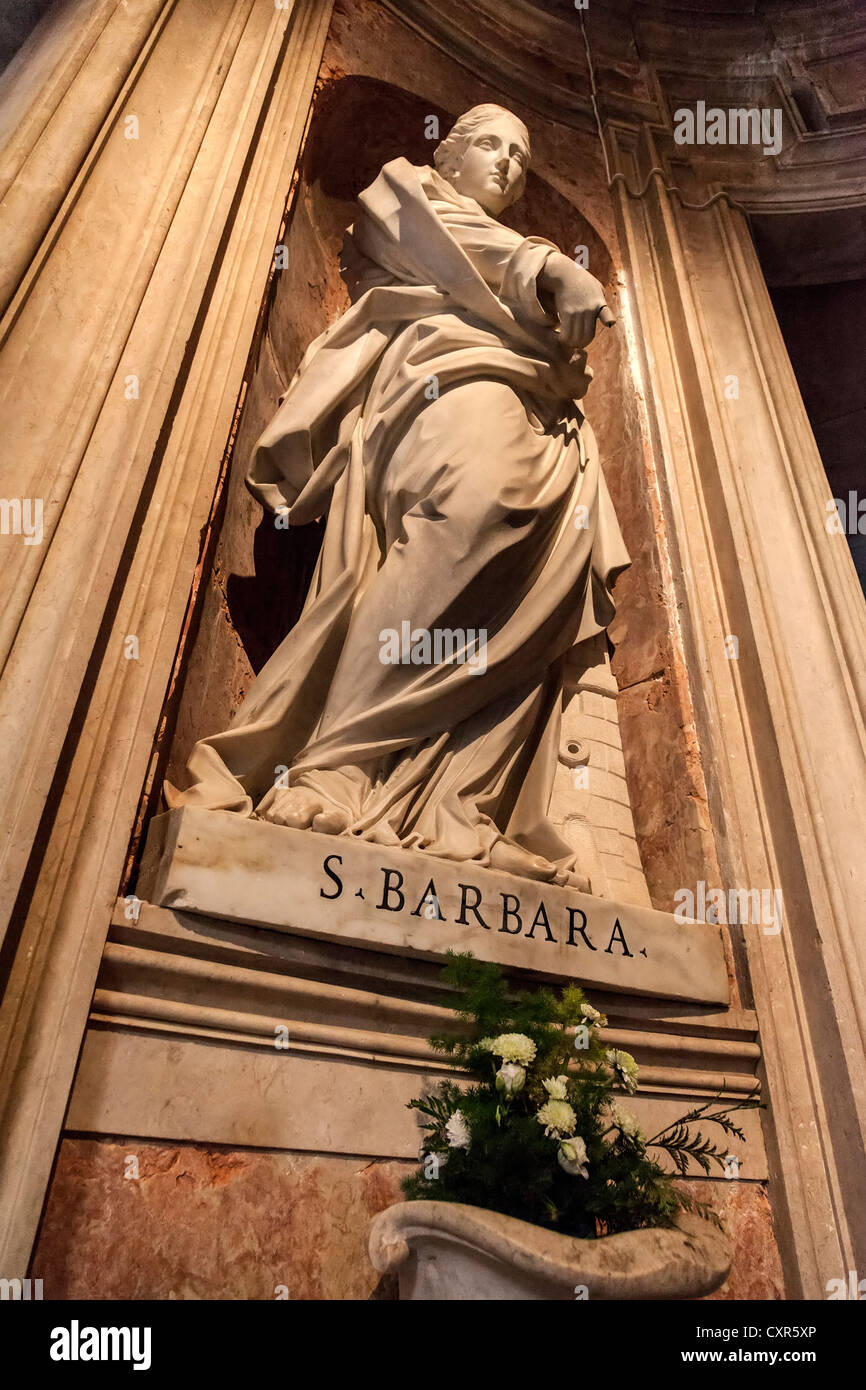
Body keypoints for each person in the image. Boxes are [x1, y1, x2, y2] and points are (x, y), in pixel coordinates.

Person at [167, 104, 629, 886]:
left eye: (521, 154)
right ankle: (334, 764)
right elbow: (462, 252)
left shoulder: (509, 245)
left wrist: (546, 269)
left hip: (543, 418)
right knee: (473, 512)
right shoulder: (405, 196)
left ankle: (459, 798)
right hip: (446, 382)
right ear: (446, 156)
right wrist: (551, 265)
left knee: (529, 593)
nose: (509, 163)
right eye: (490, 143)